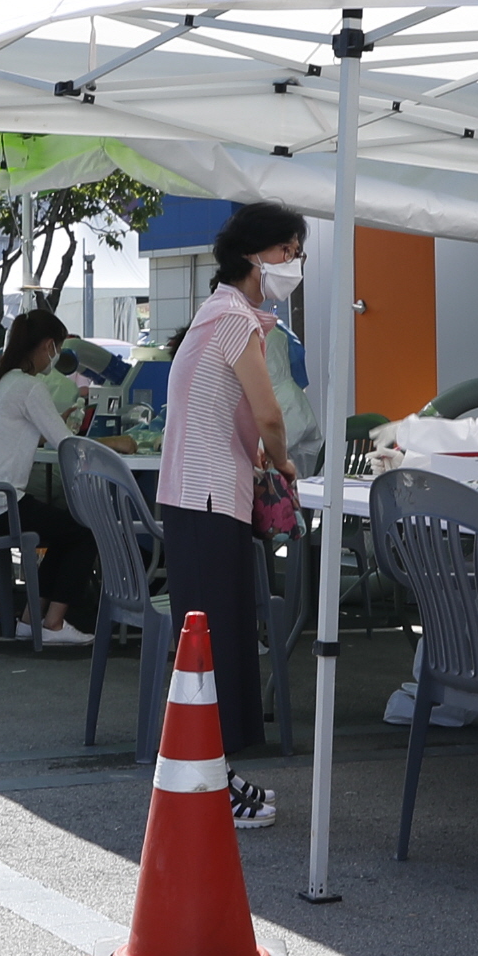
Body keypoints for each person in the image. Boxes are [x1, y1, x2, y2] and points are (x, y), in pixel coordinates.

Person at [159, 201, 307, 829]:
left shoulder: (219, 312)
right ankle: (209, 782)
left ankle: (214, 772)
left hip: (201, 496)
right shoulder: (232, 318)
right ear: (255, 255)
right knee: (214, 643)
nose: (293, 264)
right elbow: (270, 413)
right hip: (210, 497)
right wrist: (285, 465)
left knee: (214, 640)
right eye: (287, 252)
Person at [0, 308, 100, 645]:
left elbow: (28, 433)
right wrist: (116, 443)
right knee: (83, 532)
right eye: (58, 348)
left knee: (65, 530)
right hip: (0, 505)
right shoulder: (28, 387)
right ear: (48, 345)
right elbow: (68, 444)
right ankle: (52, 623)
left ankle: (32, 618)